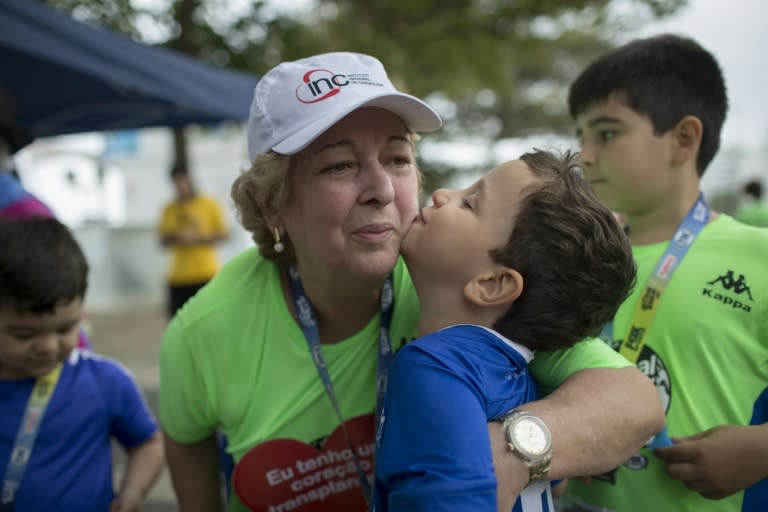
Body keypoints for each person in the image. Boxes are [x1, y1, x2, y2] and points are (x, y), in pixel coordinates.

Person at [158, 51, 663, 512]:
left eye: (398, 159)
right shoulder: (204, 332)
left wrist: (511, 453)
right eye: (339, 165)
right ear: (271, 204)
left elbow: (636, 404)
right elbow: (186, 448)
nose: (381, 189)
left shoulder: (453, 280)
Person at [562, 34, 768, 511]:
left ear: (683, 140)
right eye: (580, 137)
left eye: (606, 133)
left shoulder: (758, 256)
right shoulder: (575, 258)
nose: (585, 155)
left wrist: (760, 450)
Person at [373, 150, 637, 512]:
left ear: (493, 284)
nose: (442, 193)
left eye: (469, 203)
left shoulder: (434, 367)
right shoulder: (530, 383)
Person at [0, 217, 165, 511]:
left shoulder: (106, 382)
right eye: (24, 334)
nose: (49, 346)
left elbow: (149, 445)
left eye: (65, 329)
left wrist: (133, 491)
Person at [157, 163, 229, 318]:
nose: (180, 186)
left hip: (205, 273)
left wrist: (198, 238)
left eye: (182, 181)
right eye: (176, 182)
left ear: (189, 180)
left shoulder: (209, 204)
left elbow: (224, 234)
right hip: (178, 276)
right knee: (176, 321)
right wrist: (179, 237)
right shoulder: (169, 209)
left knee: (208, 318)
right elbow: (162, 240)